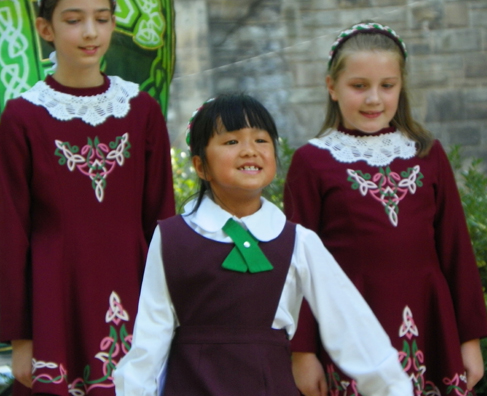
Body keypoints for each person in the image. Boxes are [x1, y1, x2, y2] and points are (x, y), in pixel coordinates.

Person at [113, 93, 413, 396]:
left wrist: (393, 388)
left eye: (261, 140)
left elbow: (352, 325)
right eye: (231, 142)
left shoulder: (299, 241)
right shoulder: (172, 238)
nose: (249, 151)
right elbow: (149, 340)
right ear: (200, 166)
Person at [284, 21, 487, 396]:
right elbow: (300, 265)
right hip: (350, 331)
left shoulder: (427, 153)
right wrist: (302, 352)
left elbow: (456, 249)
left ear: (401, 86)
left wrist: (469, 339)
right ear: (332, 87)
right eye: (358, 85)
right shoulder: (311, 162)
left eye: (387, 85)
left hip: (430, 325)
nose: (374, 99)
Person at [0, 1, 175, 395]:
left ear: (114, 24)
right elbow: (10, 234)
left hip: (133, 289)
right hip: (55, 297)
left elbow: (162, 221)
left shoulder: (141, 111)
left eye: (101, 19)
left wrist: (170, 313)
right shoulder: (22, 118)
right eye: (74, 20)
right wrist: (20, 337)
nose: (90, 32)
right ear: (46, 29)